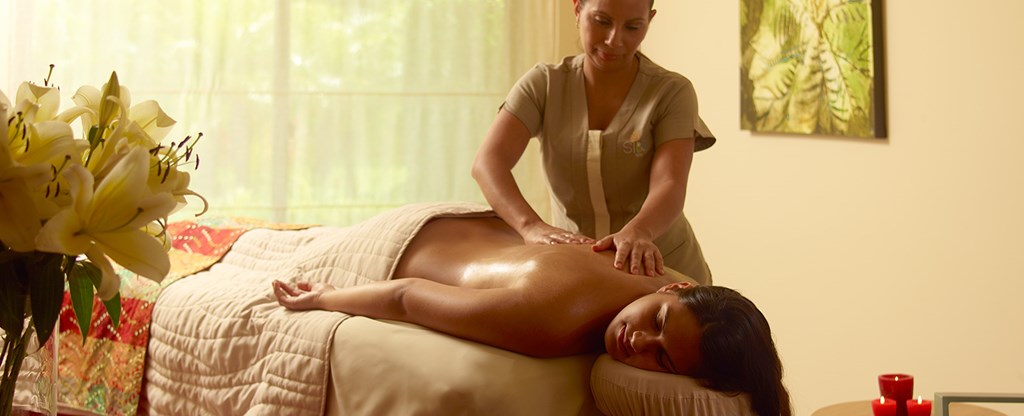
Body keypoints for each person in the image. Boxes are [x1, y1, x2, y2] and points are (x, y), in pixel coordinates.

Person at [274, 206, 791, 416]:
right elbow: (405, 297)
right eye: (657, 323)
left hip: (465, 222)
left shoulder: (671, 278)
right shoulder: (551, 323)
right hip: (392, 246)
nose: (638, 343)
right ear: (675, 289)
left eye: (663, 360)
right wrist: (323, 298)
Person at [471, 0, 717, 283]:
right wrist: (530, 226)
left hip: (662, 269)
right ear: (577, 9)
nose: (615, 40)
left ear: (650, 20)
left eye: (633, 27)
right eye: (602, 21)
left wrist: (639, 232)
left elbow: (669, 183)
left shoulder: (672, 92)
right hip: (577, 271)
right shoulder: (544, 84)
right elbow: (488, 163)